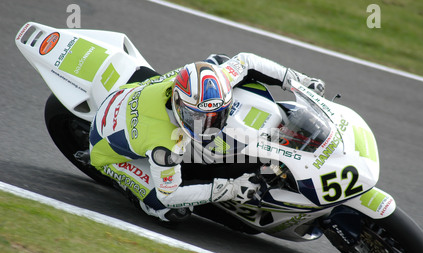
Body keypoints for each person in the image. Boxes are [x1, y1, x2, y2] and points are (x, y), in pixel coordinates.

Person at [89, 52, 325, 222]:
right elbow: (170, 195)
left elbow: (246, 61)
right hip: (104, 147)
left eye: (217, 115)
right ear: (180, 106)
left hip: (128, 95)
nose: (210, 124)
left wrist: (299, 81)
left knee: (220, 59)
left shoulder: (210, 82)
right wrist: (231, 189)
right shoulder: (165, 146)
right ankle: (127, 187)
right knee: (174, 211)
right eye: (201, 118)